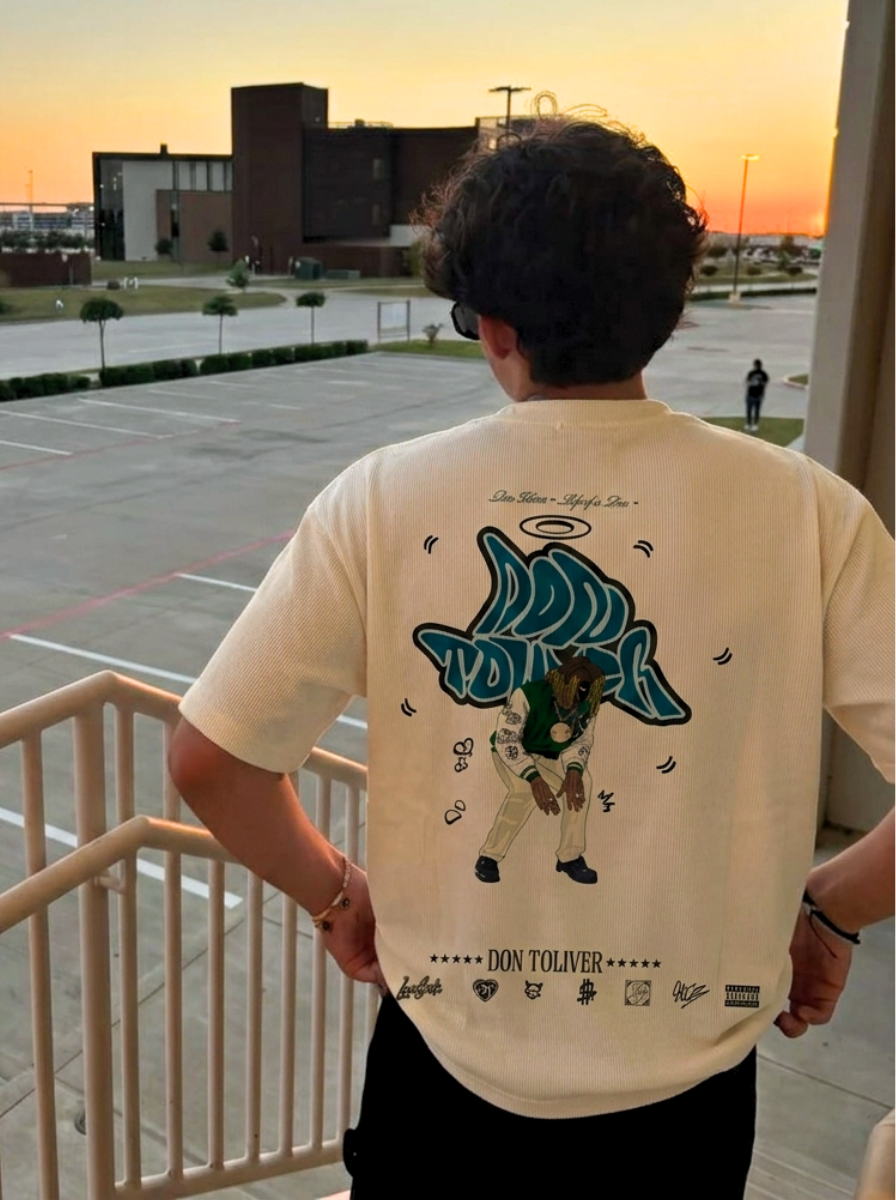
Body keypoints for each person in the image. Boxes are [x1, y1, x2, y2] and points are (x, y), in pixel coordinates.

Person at [167, 117, 894, 1196]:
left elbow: (211, 761)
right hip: (684, 1107)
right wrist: (831, 907)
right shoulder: (809, 514)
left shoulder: (380, 499)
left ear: (497, 327)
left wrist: (335, 894)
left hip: (442, 1077)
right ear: (667, 308)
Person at [745, 357, 769, 431]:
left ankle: (755, 424)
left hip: (758, 394)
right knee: (749, 410)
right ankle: (749, 423)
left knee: (756, 410)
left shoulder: (763, 374)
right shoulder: (751, 373)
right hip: (751, 393)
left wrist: (762, 391)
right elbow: (747, 381)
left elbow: (765, 383)